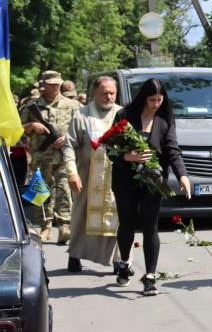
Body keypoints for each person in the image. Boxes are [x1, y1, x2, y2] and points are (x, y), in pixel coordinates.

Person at [111, 78, 192, 296]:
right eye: (151, 100)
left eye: (159, 99)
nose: (156, 103)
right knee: (127, 223)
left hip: (154, 181)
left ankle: (150, 276)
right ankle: (125, 263)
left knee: (150, 226)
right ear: (143, 98)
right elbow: (110, 148)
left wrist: (182, 175)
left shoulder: (165, 119)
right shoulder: (124, 116)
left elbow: (172, 149)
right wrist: (127, 156)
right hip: (125, 179)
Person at [63, 76, 122, 273]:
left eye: (112, 93)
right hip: (87, 176)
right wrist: (72, 173)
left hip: (116, 176)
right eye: (104, 93)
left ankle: (118, 259)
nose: (109, 96)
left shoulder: (122, 114)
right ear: (94, 93)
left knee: (119, 217)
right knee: (81, 216)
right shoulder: (82, 115)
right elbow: (69, 145)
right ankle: (75, 254)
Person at [19, 70, 80, 243]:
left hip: (64, 156)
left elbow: (81, 129)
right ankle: (44, 226)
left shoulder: (72, 105)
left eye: (57, 84)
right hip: (40, 156)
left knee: (64, 190)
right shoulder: (32, 105)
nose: (55, 87)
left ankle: (64, 226)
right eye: (51, 84)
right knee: (41, 190)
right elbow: (18, 129)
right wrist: (32, 125)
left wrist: (67, 138)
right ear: (43, 85)